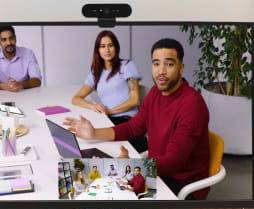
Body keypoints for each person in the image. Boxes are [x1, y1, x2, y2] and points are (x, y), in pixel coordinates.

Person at [64, 38, 210, 200]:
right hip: (156, 173)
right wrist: (94, 134)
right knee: (74, 183)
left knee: (96, 192)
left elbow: (174, 162)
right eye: (156, 64)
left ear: (181, 68)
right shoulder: (155, 93)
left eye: (169, 64)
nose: (161, 70)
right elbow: (134, 127)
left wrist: (130, 167)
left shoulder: (192, 104)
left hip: (179, 184)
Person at [71, 30, 148, 153]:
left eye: (110, 45)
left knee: (106, 148)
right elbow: (76, 98)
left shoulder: (127, 66)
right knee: (87, 142)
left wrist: (108, 111)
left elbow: (135, 100)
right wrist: (93, 106)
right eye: (102, 46)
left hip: (128, 120)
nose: (107, 50)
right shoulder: (95, 73)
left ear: (116, 48)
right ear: (98, 50)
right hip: (108, 120)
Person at [0, 25, 42, 92]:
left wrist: (19, 84)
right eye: (4, 40)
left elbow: (37, 80)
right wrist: (3, 86)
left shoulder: (28, 53)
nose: (9, 43)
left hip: (24, 95)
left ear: (15, 38)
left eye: (11, 38)